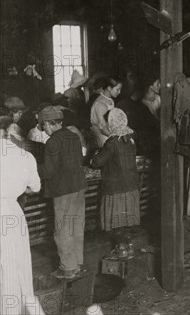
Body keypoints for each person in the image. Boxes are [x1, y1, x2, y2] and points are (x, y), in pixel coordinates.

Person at [0, 116, 46, 315]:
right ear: (9, 132)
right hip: (12, 211)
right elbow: (35, 187)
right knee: (18, 264)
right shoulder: (24, 155)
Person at [38, 106, 87, 279]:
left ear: (47, 124)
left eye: (43, 126)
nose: (44, 129)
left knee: (62, 229)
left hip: (63, 190)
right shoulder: (73, 136)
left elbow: (48, 171)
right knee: (75, 225)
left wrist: (32, 168)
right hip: (78, 187)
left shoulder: (53, 141)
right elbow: (81, 158)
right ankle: (77, 264)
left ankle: (67, 268)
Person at [91, 109, 140, 250]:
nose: (104, 125)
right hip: (131, 186)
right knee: (126, 222)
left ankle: (121, 250)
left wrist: (94, 156)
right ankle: (128, 247)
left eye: (106, 122)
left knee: (117, 223)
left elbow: (97, 162)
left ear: (112, 123)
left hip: (116, 188)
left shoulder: (112, 142)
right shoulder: (129, 139)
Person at [90, 76, 122, 150]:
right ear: (109, 88)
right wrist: (117, 139)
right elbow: (103, 128)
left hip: (109, 133)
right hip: (101, 138)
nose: (119, 92)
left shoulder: (110, 100)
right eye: (117, 89)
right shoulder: (101, 104)